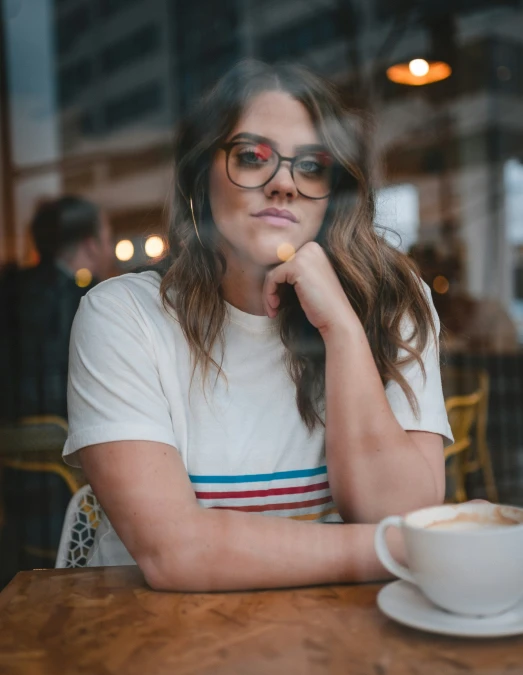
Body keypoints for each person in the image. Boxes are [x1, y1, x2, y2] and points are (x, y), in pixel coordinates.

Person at [63, 60, 453, 591]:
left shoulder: (395, 304)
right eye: (252, 158)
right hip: (155, 644)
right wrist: (404, 549)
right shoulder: (123, 317)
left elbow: (395, 508)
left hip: (343, 642)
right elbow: (175, 552)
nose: (285, 185)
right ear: (201, 175)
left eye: (313, 167)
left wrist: (342, 329)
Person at [0, 196, 114, 583]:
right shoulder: (95, 304)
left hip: (13, 496)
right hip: (73, 492)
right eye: (107, 233)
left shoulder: (8, 292)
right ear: (90, 243)